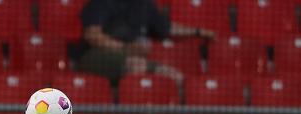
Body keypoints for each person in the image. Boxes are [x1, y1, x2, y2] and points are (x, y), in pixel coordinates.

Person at [76, 0, 215, 85]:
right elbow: (92, 35)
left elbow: (167, 28)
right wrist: (125, 47)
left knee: (174, 76)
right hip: (96, 56)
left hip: (132, 57)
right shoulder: (103, 2)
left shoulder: (143, 4)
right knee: (136, 65)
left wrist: (197, 32)